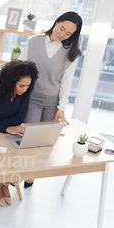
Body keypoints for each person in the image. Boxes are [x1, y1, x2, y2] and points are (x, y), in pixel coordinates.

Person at [20, 11, 82, 188]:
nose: (62, 34)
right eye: (61, 28)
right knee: (29, 139)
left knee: (44, 143)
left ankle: (30, 176)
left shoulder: (71, 53)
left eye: (68, 33)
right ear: (56, 22)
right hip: (31, 97)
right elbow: (19, 68)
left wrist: (61, 107)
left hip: (52, 102)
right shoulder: (34, 42)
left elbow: (66, 82)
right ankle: (18, 172)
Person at [0, 60, 39, 206]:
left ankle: (5, 183)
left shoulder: (25, 94)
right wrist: (7, 128)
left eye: (28, 85)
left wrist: (3, 126)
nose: (25, 89)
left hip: (6, 133)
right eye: (21, 85)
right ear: (11, 81)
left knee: (16, 153)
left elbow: (19, 118)